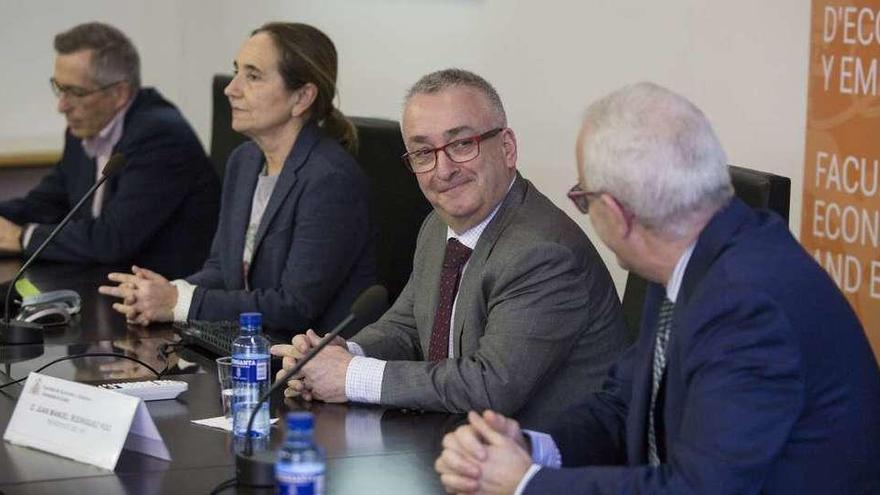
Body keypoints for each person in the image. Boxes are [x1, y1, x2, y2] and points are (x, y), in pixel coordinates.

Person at [434, 82, 880, 495]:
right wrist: (531, 448)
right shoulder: (689, 258)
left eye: (584, 199)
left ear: (616, 212)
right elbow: (625, 405)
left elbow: (700, 490)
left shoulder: (746, 304)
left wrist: (526, 485)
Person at [270, 69, 629, 434]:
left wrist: (350, 376)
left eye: (461, 145)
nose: (443, 170)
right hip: (458, 451)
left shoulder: (542, 253)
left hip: (549, 470)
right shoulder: (437, 226)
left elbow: (490, 385)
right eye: (424, 152)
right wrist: (338, 355)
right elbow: (407, 327)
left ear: (507, 148)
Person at [99, 23, 375, 333]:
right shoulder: (243, 161)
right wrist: (160, 294)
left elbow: (294, 307)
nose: (231, 89)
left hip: (307, 366)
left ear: (302, 97)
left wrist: (179, 301)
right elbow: (221, 271)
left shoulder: (330, 179)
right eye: (236, 72)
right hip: (245, 347)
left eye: (253, 76)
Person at [0, 22, 219, 279]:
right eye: (60, 88)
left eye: (75, 92)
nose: (62, 106)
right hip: (102, 282)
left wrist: (23, 237)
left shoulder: (161, 136)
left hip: (164, 296)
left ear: (119, 93)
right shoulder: (83, 129)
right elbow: (46, 203)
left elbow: (112, 240)